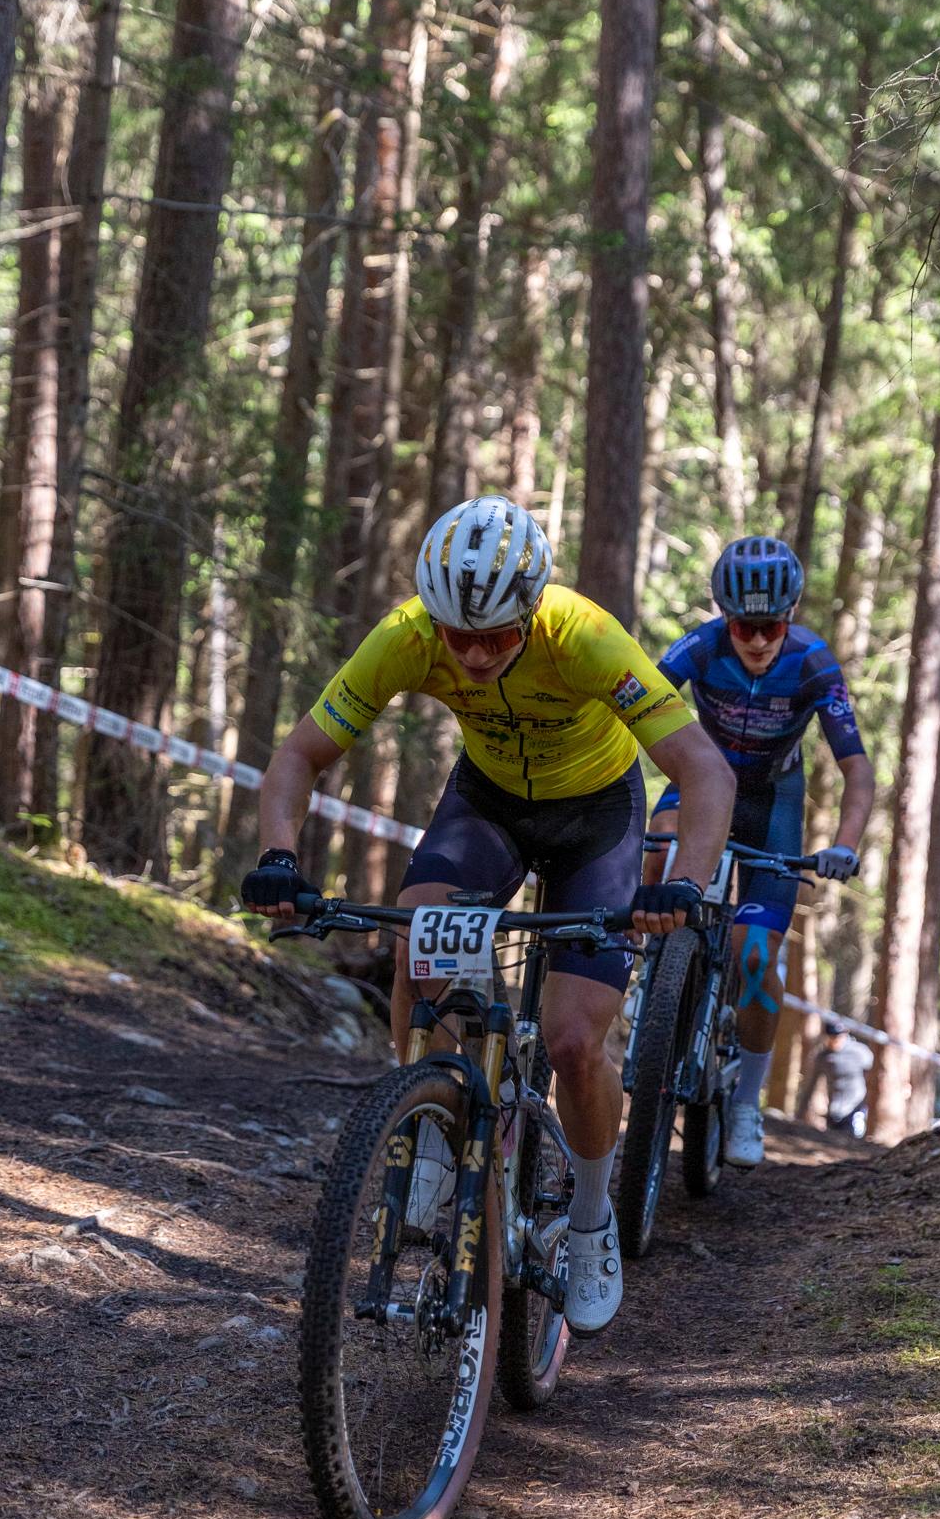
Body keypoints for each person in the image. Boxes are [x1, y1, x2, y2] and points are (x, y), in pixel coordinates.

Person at [242, 495, 735, 1338]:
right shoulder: (407, 635)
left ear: (532, 612)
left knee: (574, 1041)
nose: (472, 655)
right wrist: (279, 857)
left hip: (596, 817)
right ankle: (434, 1124)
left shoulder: (585, 636)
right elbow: (300, 755)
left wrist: (682, 885)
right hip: (489, 803)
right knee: (417, 939)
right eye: (456, 636)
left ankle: (590, 1217)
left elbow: (704, 770)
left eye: (497, 637)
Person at [649, 535, 875, 1170]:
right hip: (703, 780)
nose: (755, 641)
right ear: (724, 617)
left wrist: (844, 846)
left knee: (753, 957)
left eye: (770, 626)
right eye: (742, 627)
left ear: (791, 616)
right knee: (656, 845)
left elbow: (857, 770)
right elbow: (629, 709)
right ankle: (652, 976)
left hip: (774, 801)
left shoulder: (812, 661)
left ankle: (747, 1101)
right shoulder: (698, 648)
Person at [815, 1025, 872, 1138]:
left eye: (839, 1037)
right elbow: (810, 1085)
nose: (835, 1041)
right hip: (834, 1110)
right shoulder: (823, 1057)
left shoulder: (860, 1052)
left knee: (855, 1140)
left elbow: (874, 1075)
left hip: (856, 1108)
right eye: (832, 1037)